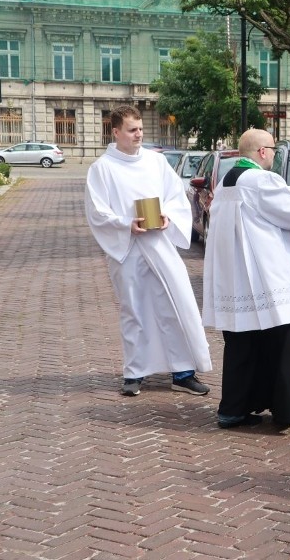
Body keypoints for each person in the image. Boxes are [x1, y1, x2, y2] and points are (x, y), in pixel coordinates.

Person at [202, 128, 290, 431]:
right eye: (274, 149)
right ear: (263, 151)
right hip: (267, 279)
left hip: (237, 279)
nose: (276, 155)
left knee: (242, 344)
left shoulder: (227, 181)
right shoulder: (260, 181)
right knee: (281, 342)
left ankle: (233, 410)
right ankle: (286, 408)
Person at [85, 105, 212, 397]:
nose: (138, 134)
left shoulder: (156, 163)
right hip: (127, 250)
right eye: (132, 130)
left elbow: (175, 195)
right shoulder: (102, 169)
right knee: (134, 310)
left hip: (159, 244)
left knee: (175, 305)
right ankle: (135, 372)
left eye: (140, 128)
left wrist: (167, 215)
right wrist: (125, 224)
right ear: (116, 132)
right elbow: (97, 212)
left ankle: (183, 372)